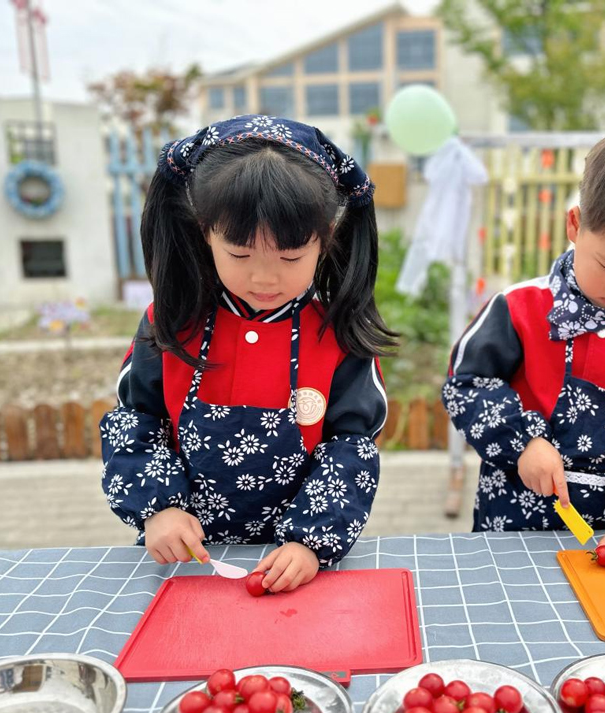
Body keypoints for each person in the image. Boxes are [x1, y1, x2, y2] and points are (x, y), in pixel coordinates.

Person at [100, 115, 394, 592]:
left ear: (327, 239)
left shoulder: (337, 337)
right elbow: (136, 421)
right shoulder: (170, 323)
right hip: (185, 560)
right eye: (239, 254)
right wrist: (159, 508)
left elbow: (350, 447)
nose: (264, 279)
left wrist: (310, 542)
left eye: (291, 257)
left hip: (298, 566)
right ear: (204, 235)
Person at [442, 127, 605, 572]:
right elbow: (467, 384)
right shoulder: (519, 308)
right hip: (512, 524)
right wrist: (522, 442)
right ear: (574, 225)